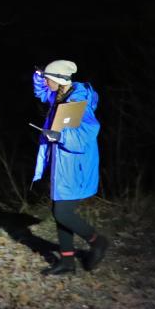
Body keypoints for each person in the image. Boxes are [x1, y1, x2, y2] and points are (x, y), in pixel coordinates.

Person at [31, 59, 108, 275]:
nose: (46, 82)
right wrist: (39, 76)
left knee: (62, 212)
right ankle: (67, 262)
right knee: (59, 210)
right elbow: (43, 93)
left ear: (58, 80)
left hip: (76, 165)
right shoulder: (59, 94)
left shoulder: (77, 101)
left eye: (48, 78)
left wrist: (59, 136)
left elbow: (88, 133)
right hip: (63, 163)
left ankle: (97, 241)